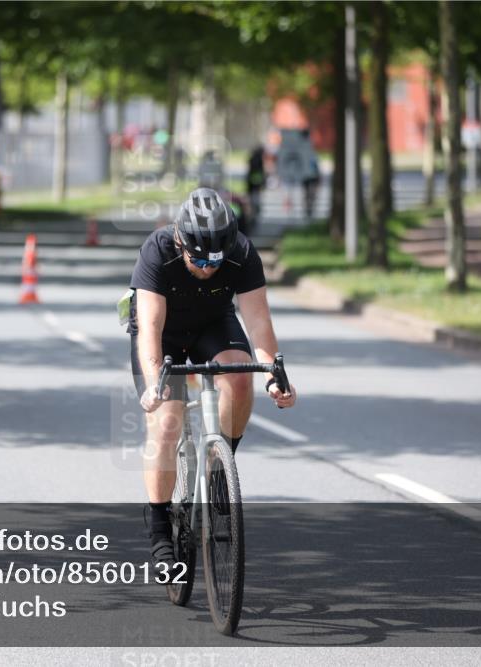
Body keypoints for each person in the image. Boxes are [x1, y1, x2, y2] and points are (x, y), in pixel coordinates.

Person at [127, 187, 297, 572]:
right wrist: (155, 384)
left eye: (216, 261)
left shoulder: (241, 252)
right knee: (166, 421)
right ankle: (158, 527)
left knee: (239, 379)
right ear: (180, 241)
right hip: (165, 331)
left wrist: (273, 376)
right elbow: (150, 330)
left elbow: (258, 322)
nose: (207, 268)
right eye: (199, 259)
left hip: (212, 323)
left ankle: (219, 469)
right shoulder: (157, 251)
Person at [246, 145, 266, 226]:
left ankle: (253, 215)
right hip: (257, 183)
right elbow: (262, 171)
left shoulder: (251, 159)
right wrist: (263, 182)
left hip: (251, 183)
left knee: (252, 200)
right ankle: (255, 213)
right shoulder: (259, 160)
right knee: (256, 199)